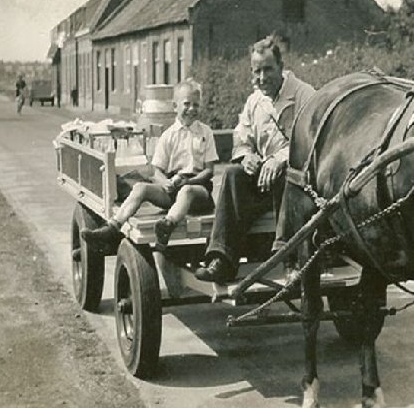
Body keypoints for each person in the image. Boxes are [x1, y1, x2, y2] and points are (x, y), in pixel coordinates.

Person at [195, 36, 315, 284]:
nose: (262, 78)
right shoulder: (255, 101)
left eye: (268, 69)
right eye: (257, 71)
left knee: (288, 175)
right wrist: (247, 156)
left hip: (297, 182)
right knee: (232, 173)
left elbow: (313, 142)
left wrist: (280, 159)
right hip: (263, 181)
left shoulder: (304, 95)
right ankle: (222, 258)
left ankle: (290, 259)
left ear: (281, 67)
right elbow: (241, 137)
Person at [81, 80, 218, 247]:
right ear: (175, 106)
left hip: (198, 190)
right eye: (186, 104)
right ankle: (113, 227)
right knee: (141, 187)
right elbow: (156, 170)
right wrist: (165, 182)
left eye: (196, 105)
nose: (191, 109)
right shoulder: (169, 135)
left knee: (187, 191)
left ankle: (167, 225)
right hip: (173, 188)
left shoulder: (205, 132)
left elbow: (209, 170)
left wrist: (189, 181)